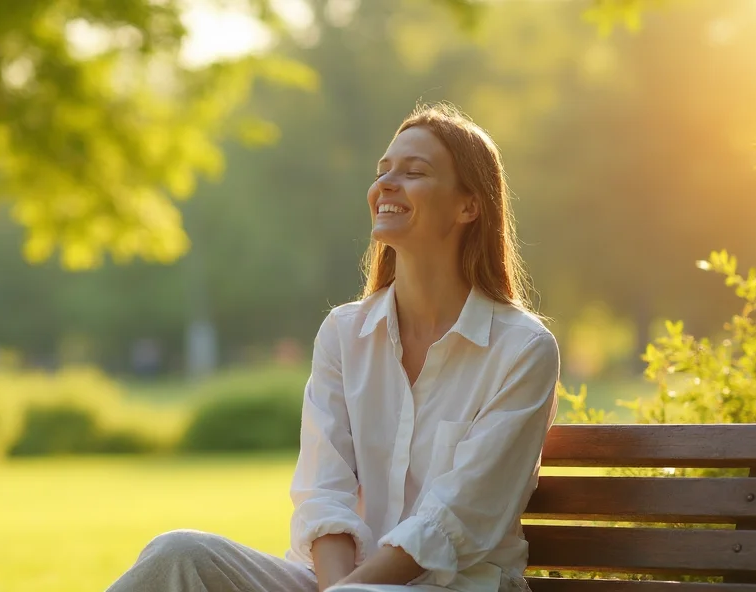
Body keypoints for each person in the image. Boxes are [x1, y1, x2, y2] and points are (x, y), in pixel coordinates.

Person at [107, 103, 560, 592]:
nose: (386, 184)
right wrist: (341, 590)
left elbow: (456, 520)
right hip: (337, 584)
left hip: (454, 587)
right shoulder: (344, 335)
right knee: (178, 555)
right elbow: (325, 494)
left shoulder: (523, 350)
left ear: (468, 206)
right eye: (383, 171)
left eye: (414, 172)